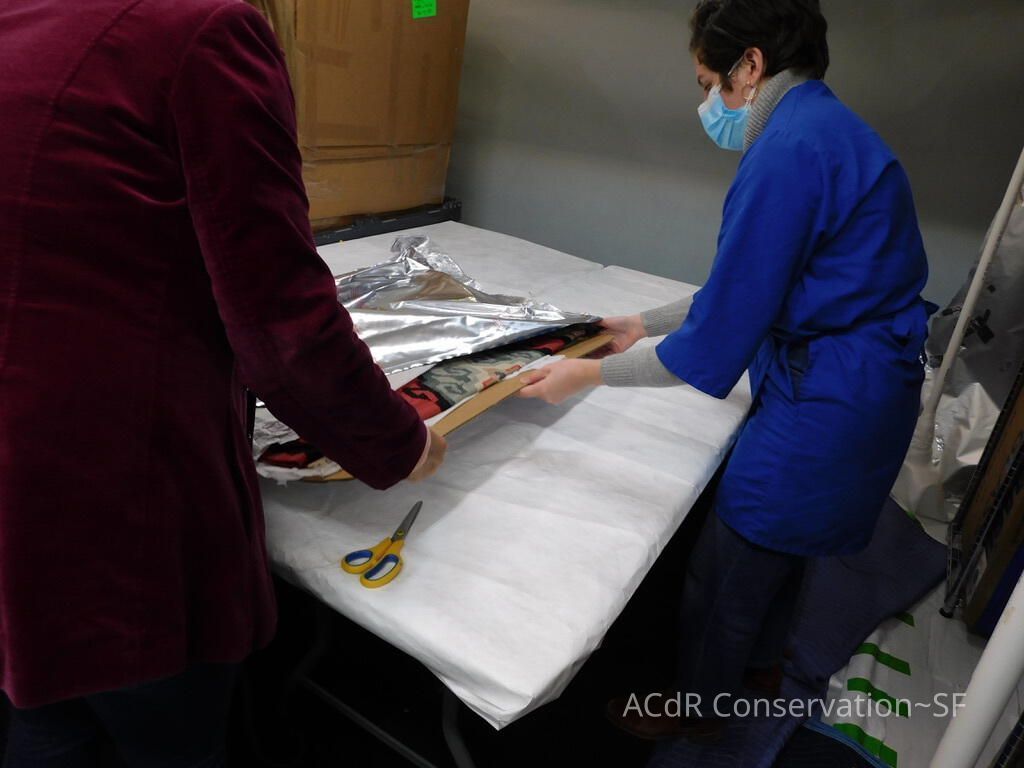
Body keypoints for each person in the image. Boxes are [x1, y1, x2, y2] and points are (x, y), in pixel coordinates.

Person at [0, 1, 446, 765]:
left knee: (48, 720)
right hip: (109, 514)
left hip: (21, 496)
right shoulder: (199, 32)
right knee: (166, 735)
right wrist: (400, 442)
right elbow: (283, 324)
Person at [519, 0, 931, 741]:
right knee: (787, 551)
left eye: (710, 84)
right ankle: (762, 667)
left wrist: (587, 377)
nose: (708, 103)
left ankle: (702, 707)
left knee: (729, 567)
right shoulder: (825, 127)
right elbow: (755, 282)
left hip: (830, 396)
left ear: (751, 65)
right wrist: (641, 322)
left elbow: (719, 336)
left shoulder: (785, 153)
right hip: (870, 380)